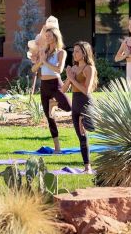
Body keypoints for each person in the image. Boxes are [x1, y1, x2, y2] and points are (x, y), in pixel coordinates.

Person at [31, 27, 71, 153]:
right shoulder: (43, 51)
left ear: (55, 36)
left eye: (49, 36)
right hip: (44, 86)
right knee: (50, 118)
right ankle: (57, 148)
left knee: (69, 107)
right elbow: (34, 69)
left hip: (55, 84)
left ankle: (56, 103)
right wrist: (40, 62)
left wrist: (45, 62)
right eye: (46, 36)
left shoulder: (61, 53)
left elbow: (59, 70)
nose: (47, 38)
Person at [62, 41, 97, 173]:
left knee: (88, 130)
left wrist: (73, 79)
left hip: (85, 104)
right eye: (74, 51)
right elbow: (64, 89)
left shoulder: (89, 68)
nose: (74, 53)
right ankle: (87, 167)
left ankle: (88, 167)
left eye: (77, 51)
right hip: (75, 105)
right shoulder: (74, 69)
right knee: (81, 136)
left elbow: (86, 90)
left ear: (84, 53)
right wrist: (68, 77)